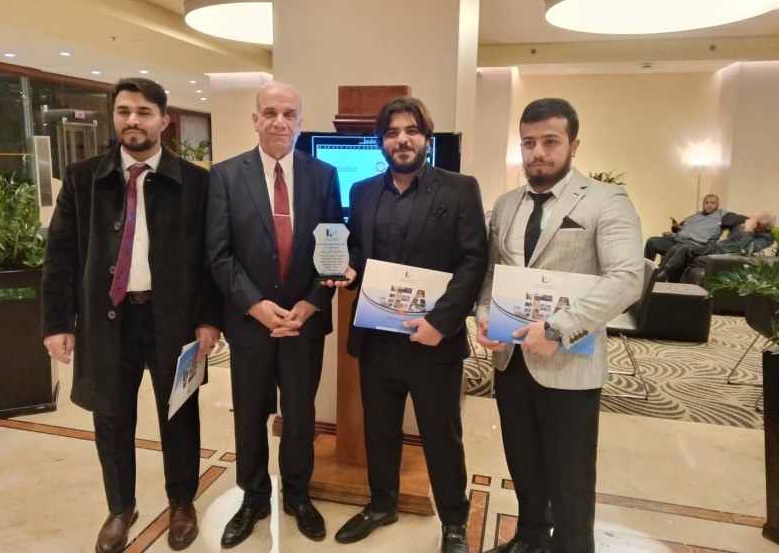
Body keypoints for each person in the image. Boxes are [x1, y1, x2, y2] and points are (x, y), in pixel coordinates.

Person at [42, 77, 223, 553]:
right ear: (114, 117)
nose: (132, 120)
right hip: (107, 319)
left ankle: (182, 503)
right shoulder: (83, 178)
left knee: (179, 413)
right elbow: (60, 255)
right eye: (124, 111)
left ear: (164, 119)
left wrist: (208, 318)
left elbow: (210, 259)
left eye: (144, 112)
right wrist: (57, 323)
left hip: (173, 319)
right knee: (111, 416)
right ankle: (120, 508)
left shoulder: (197, 182)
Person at [475, 98, 642, 553]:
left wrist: (556, 330)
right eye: (528, 142)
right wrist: (485, 314)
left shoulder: (606, 200)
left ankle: (573, 546)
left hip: (570, 362)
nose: (538, 152)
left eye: (550, 141)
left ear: (574, 145)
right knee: (522, 459)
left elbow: (627, 277)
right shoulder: (505, 205)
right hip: (511, 360)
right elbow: (492, 273)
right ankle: (530, 537)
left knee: (570, 472)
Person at [330, 97, 488, 553]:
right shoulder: (363, 192)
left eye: (412, 130)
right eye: (392, 132)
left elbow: (473, 261)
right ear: (381, 141)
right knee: (379, 430)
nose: (402, 139)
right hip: (376, 336)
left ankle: (454, 522)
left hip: (432, 341)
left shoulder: (460, 189)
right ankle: (383, 505)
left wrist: (441, 322)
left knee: (441, 436)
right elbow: (359, 250)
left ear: (426, 138)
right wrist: (350, 267)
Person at [206, 81, 344, 548]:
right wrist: (256, 306)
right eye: (270, 113)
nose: (279, 122)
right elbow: (218, 254)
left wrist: (311, 303)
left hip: (305, 322)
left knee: (300, 414)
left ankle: (298, 495)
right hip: (250, 323)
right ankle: (253, 497)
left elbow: (333, 249)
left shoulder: (324, 175)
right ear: (255, 119)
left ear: (300, 122)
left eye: (289, 114)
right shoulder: (225, 176)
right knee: (249, 414)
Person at [657, 211, 777, 281]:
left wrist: (748, 230)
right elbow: (727, 241)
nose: (748, 221)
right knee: (683, 248)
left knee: (683, 257)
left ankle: (663, 275)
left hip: (721, 257)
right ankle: (659, 272)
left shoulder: (765, 238)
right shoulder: (751, 231)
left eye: (753, 220)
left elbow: (745, 250)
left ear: (760, 226)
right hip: (714, 249)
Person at [644, 194, 727, 261]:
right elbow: (680, 228)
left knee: (677, 249)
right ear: (702, 204)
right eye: (706, 202)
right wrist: (675, 228)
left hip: (693, 245)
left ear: (718, 205)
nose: (709, 205)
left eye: (713, 203)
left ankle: (658, 272)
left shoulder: (721, 216)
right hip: (677, 240)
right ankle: (647, 268)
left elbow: (735, 220)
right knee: (652, 241)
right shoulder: (695, 216)